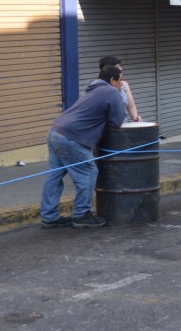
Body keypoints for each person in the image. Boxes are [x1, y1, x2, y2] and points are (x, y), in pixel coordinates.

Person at [39, 65, 126, 229]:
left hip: (56, 132)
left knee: (54, 176)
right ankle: (81, 215)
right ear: (112, 80)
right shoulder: (111, 92)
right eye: (120, 80)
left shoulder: (93, 89)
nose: (122, 83)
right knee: (89, 172)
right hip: (72, 138)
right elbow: (117, 121)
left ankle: (49, 216)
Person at [98, 55, 143, 123]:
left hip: (123, 127)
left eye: (120, 66)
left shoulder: (124, 84)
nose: (121, 68)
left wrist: (135, 118)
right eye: (117, 67)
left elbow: (131, 106)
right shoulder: (100, 87)